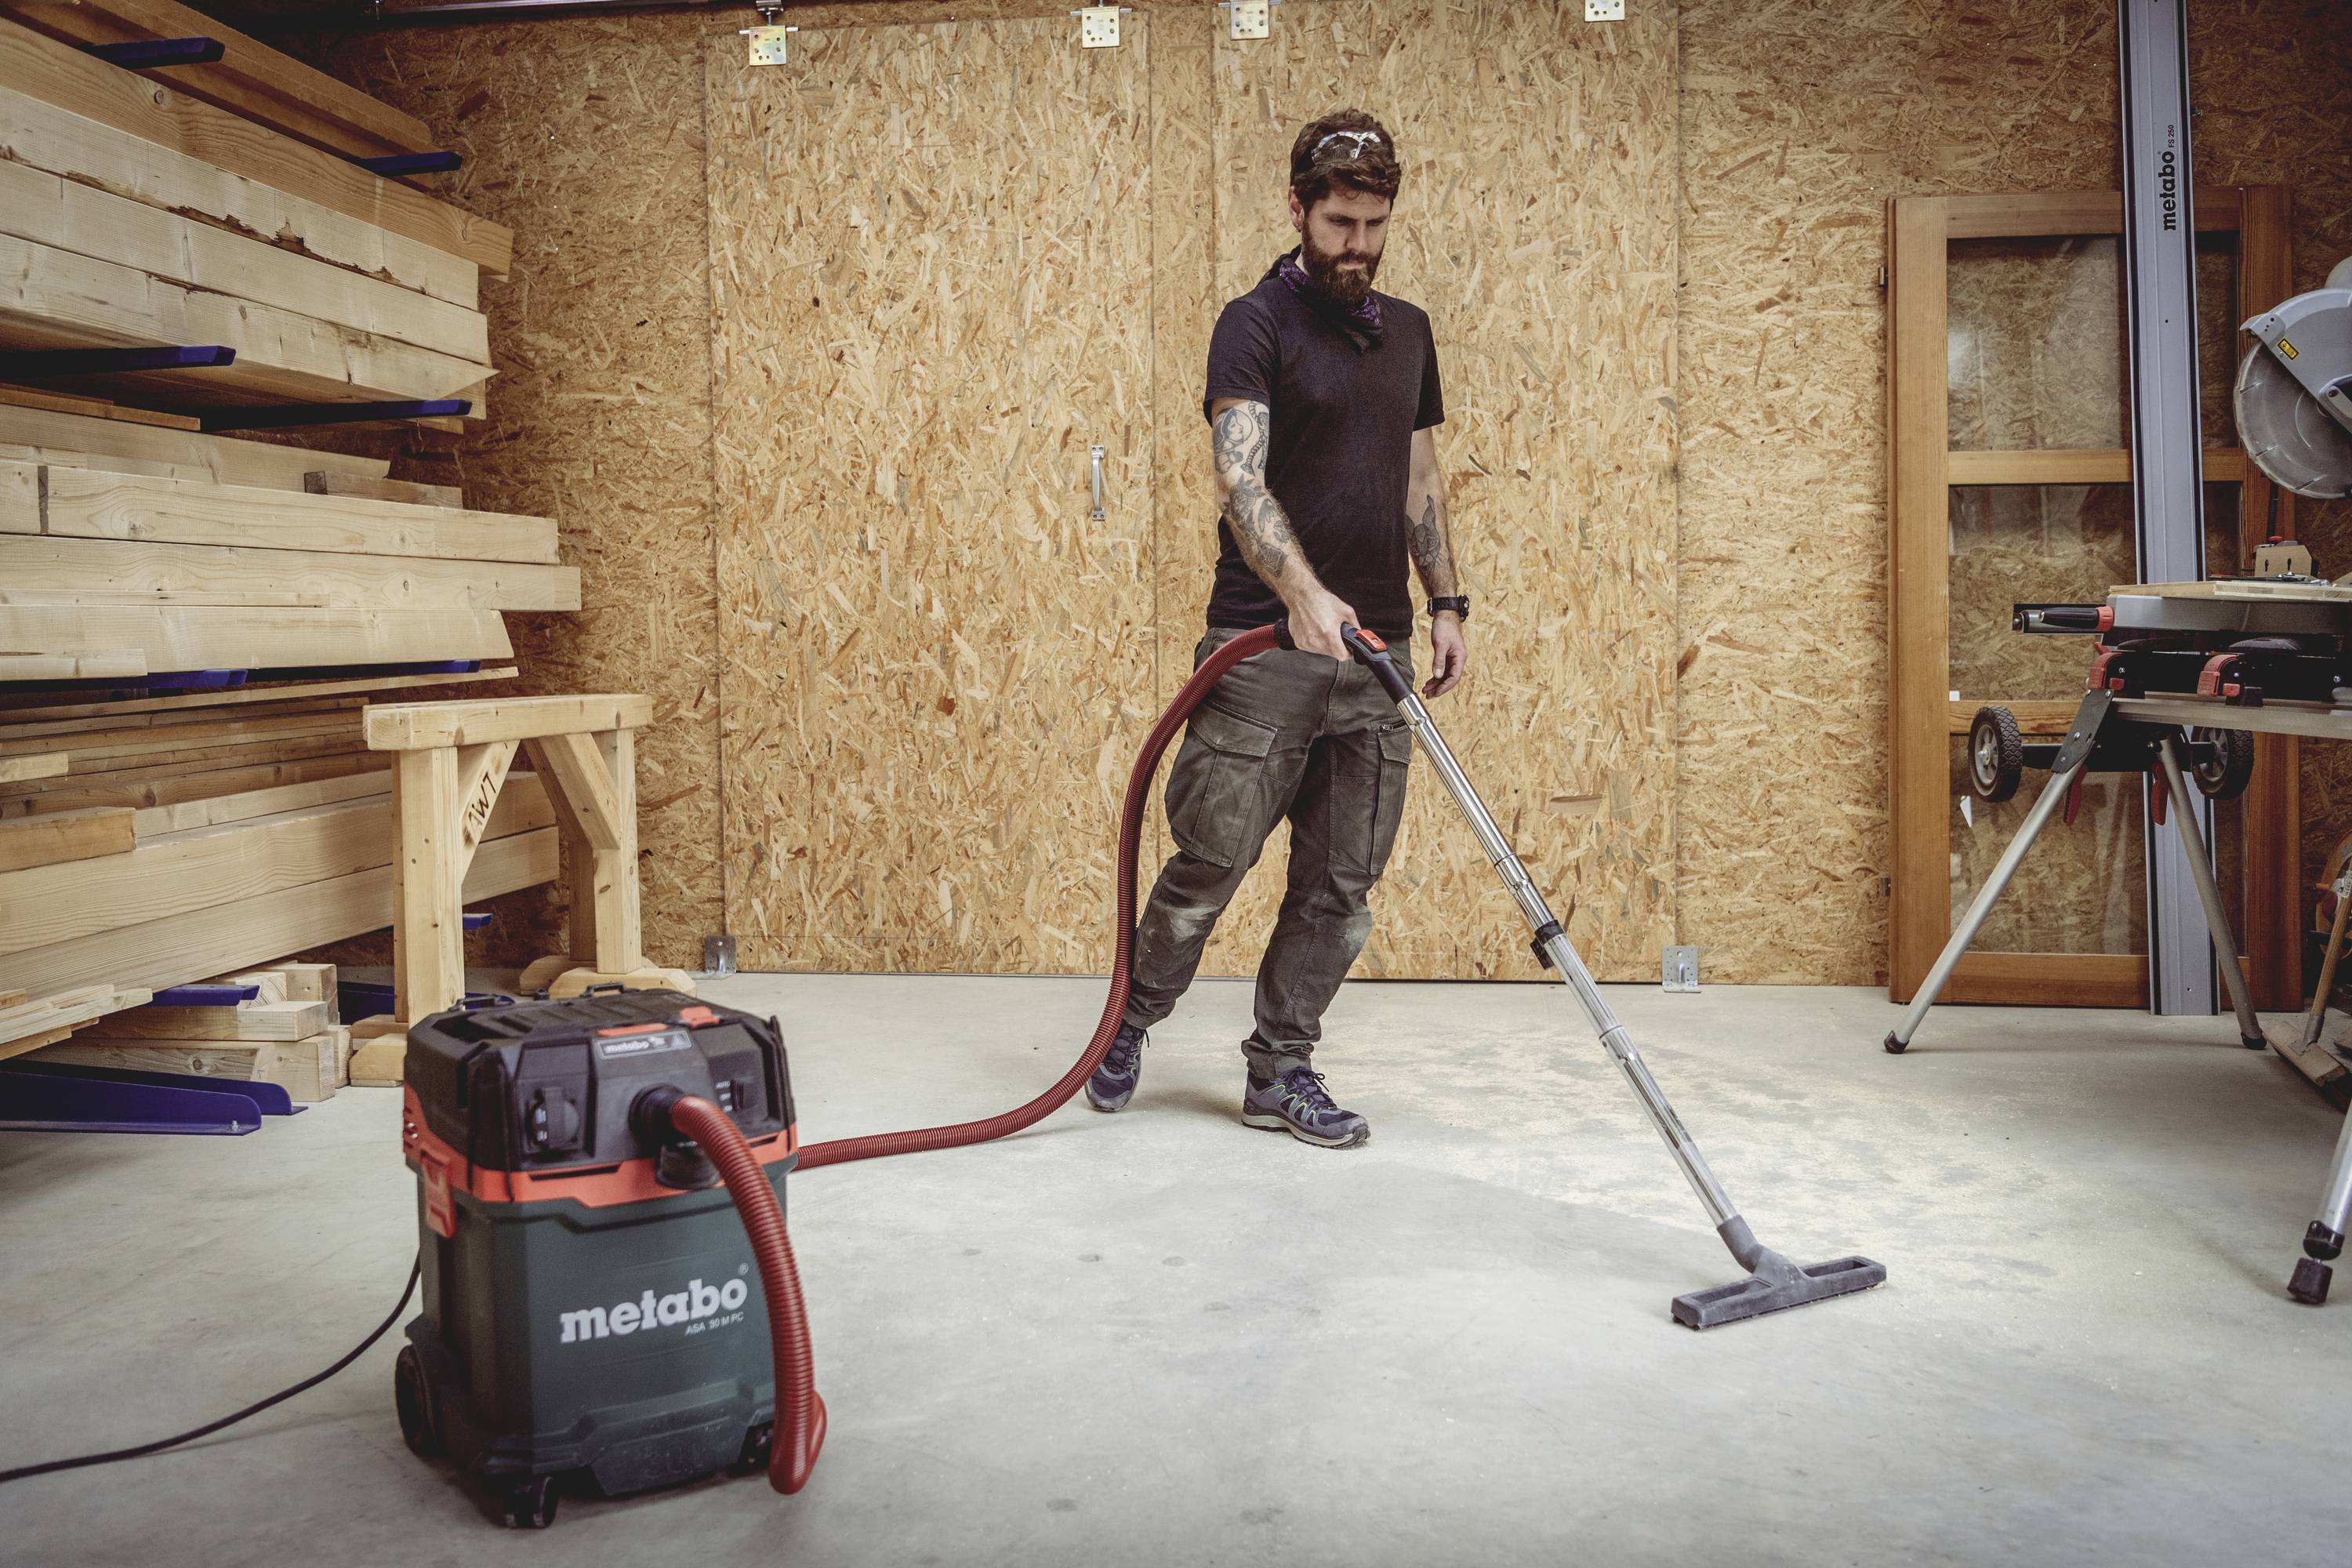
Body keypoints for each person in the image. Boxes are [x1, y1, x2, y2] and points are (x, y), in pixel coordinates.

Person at [1086, 108, 1469, 1148]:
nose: (1360, 244)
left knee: (1340, 888)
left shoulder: (1411, 333)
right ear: (1298, 209)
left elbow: (1420, 480)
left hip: (1374, 658)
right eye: (1341, 221)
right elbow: (1239, 480)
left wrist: (1443, 601)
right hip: (1265, 650)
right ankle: (1130, 1025)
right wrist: (1300, 594)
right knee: (1210, 862)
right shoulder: (1253, 324)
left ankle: (1281, 1068)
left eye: (1376, 224)